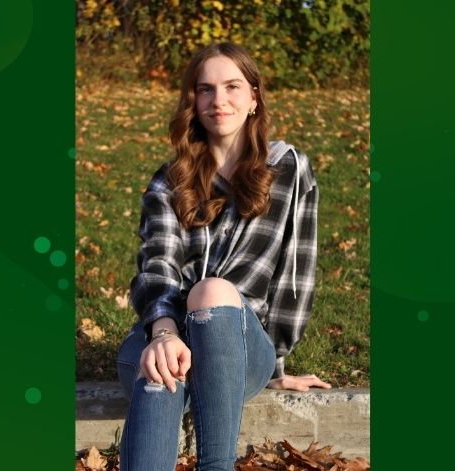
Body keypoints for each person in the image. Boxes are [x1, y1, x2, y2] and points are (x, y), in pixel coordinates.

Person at [116, 42, 331, 471]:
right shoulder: (169, 181)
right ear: (192, 102)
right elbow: (156, 264)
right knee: (161, 370)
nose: (219, 100)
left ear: (254, 98)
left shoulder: (288, 170)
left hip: (240, 346)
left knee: (211, 292)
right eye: (206, 89)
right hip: (168, 330)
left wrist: (278, 363)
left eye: (233, 86)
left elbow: (295, 274)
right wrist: (162, 334)